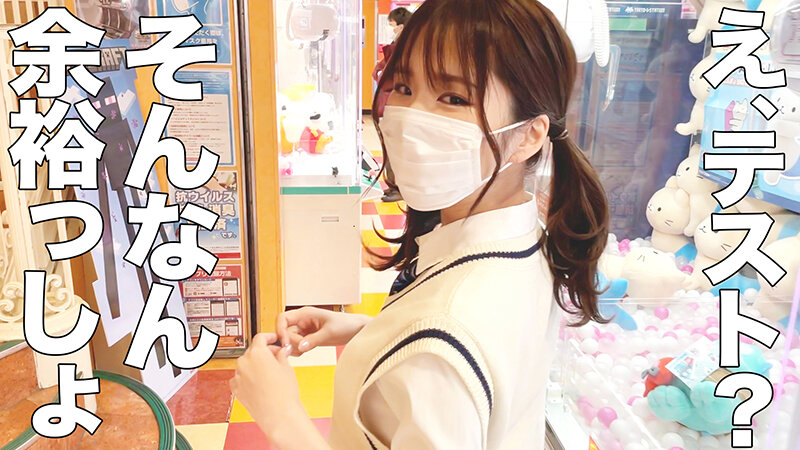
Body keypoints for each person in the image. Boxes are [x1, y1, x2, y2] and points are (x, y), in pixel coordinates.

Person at [230, 0, 610, 448]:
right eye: (405, 87)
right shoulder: (528, 237)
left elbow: (450, 344)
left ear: (529, 134)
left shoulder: (444, 336)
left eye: (454, 98)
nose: (411, 117)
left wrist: (282, 417)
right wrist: (375, 333)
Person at [373, 7, 412, 203]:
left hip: (394, 104)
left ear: (401, 26)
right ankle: (393, 185)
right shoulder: (398, 46)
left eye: (391, 25)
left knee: (396, 147)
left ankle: (399, 188)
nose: (390, 28)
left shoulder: (406, 49)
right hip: (388, 102)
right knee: (389, 146)